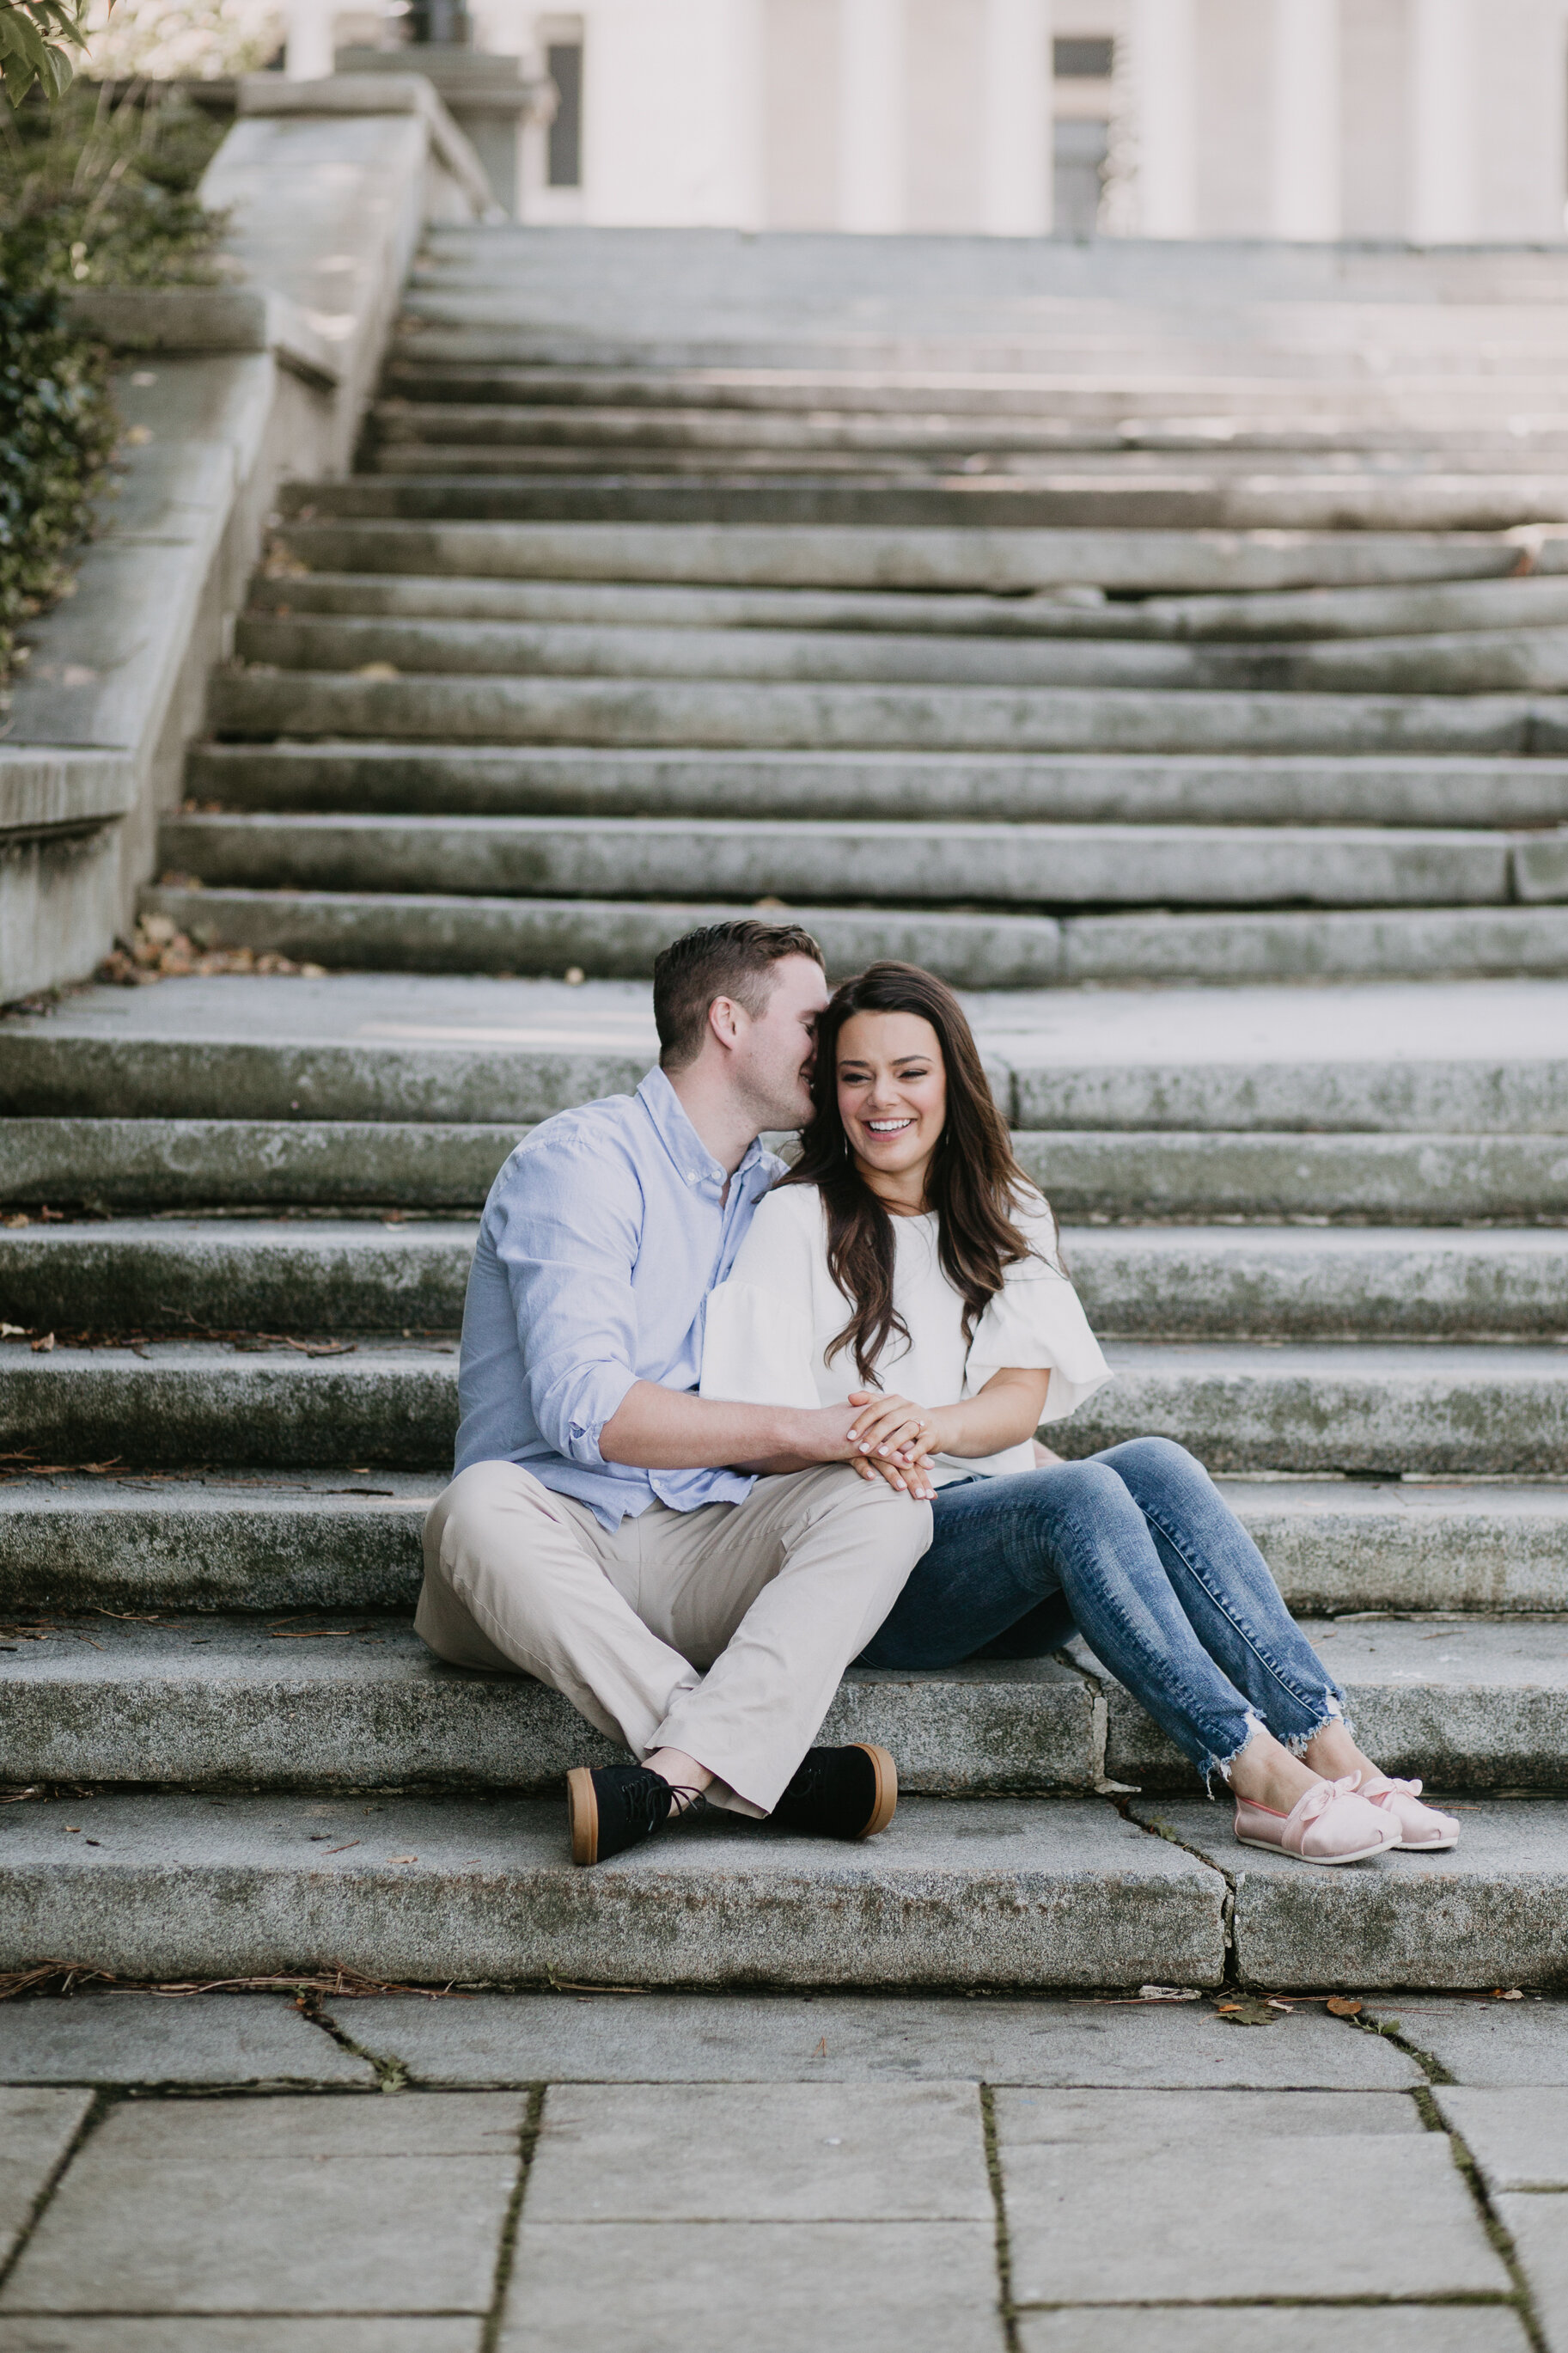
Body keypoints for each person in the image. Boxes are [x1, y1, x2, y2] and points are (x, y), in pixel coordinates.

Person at [701, 961, 1458, 1868]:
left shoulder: (1003, 1204)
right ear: (828, 1092)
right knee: (1079, 1493)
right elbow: (752, 1429)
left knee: (1153, 1463)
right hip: (880, 1568)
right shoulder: (796, 1220)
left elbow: (1017, 1402)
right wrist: (875, 1442)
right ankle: (1254, 1770)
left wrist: (926, 1424)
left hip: (1008, 1555)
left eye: (909, 1070)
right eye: (855, 1075)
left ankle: (1332, 1750)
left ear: (953, 1079)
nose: (881, 1098)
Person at [415, 920, 932, 1867]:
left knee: (883, 1498)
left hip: (701, 1542)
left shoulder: (777, 1196)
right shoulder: (579, 1164)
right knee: (476, 1503)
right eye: (813, 1023)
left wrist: (866, 1435)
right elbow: (591, 1410)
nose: (834, 1048)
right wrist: (801, 1427)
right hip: (544, 1549)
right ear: (729, 1020)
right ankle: (751, 1760)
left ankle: (678, 1771)